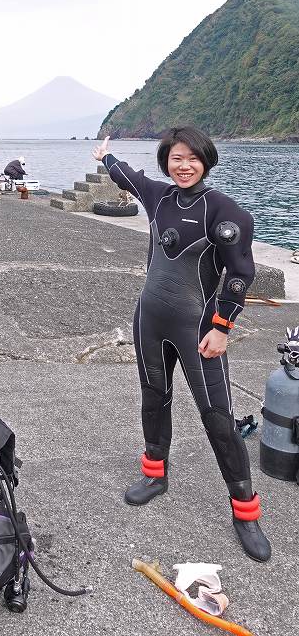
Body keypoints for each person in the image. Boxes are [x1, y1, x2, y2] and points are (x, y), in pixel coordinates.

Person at [92, 127, 271, 562]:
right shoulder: (159, 197)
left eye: (192, 158)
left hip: (199, 332)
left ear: (206, 160)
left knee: (218, 419)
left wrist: (222, 326)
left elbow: (238, 276)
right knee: (154, 399)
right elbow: (127, 177)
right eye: (176, 158)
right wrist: (106, 159)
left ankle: (245, 513)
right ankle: (156, 475)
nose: (184, 165)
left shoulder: (226, 212)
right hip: (149, 322)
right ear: (166, 161)